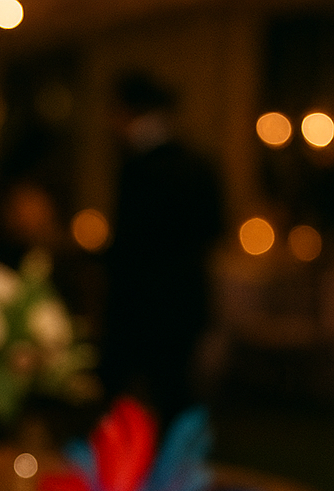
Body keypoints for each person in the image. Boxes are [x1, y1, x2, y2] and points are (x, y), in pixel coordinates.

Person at [100, 71, 225, 423]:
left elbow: (130, 246)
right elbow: (214, 229)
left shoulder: (138, 168)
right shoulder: (199, 164)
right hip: (184, 301)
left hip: (141, 303)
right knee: (176, 397)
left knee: (126, 399)